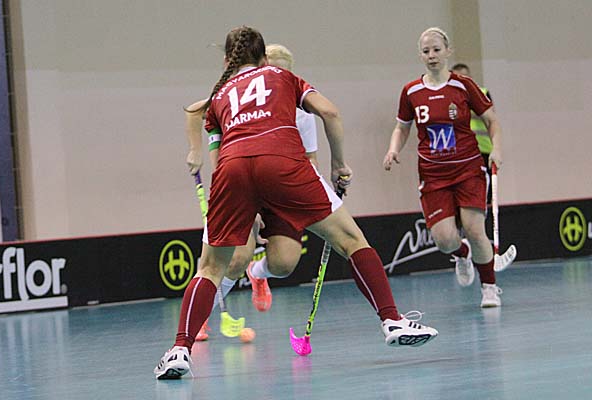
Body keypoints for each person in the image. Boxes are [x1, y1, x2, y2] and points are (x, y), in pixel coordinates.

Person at [155, 26, 438, 379]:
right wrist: (339, 165)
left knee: (210, 267)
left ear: (227, 60)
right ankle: (392, 320)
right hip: (283, 162)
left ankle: (179, 350)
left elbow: (213, 145)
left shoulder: (219, 94)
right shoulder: (283, 77)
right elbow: (330, 113)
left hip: (232, 168)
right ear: (263, 58)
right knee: (351, 240)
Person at [185, 43, 320, 341]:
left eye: (284, 72)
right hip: (242, 183)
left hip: (282, 188)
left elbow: (311, 159)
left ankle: (258, 274)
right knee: (234, 259)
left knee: (284, 264)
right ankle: (199, 317)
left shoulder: (302, 111)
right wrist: (196, 150)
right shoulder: (236, 95)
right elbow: (195, 112)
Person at [383, 27, 506, 308]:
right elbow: (402, 127)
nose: (432, 55)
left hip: (468, 169)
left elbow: (492, 120)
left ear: (448, 51)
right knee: (445, 240)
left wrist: (496, 149)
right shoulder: (411, 91)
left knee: (475, 230)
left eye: (437, 50)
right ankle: (462, 254)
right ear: (420, 55)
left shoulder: (463, 85)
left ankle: (489, 287)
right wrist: (393, 149)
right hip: (433, 175)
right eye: (426, 51)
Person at [451, 63, 493, 203]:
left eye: (464, 76)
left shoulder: (481, 92)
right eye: (457, 77)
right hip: (459, 151)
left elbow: (489, 116)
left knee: (483, 187)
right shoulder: (448, 96)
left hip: (482, 148)